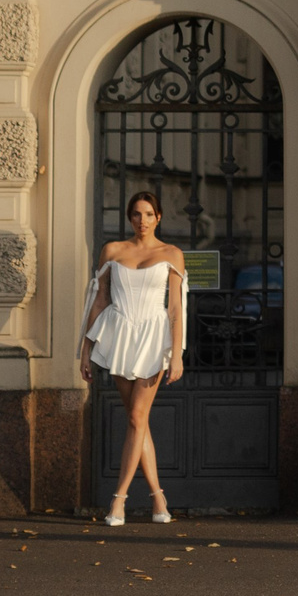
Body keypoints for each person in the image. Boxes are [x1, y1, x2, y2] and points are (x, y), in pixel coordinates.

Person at [78, 192, 186, 526]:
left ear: (159, 217)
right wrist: (84, 350)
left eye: (149, 214)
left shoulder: (171, 254)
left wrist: (177, 355)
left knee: (138, 417)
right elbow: (98, 301)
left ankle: (118, 500)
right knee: (138, 421)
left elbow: (175, 308)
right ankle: (158, 498)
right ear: (130, 218)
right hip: (119, 336)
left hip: (154, 339)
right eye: (137, 214)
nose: (142, 220)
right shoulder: (112, 251)